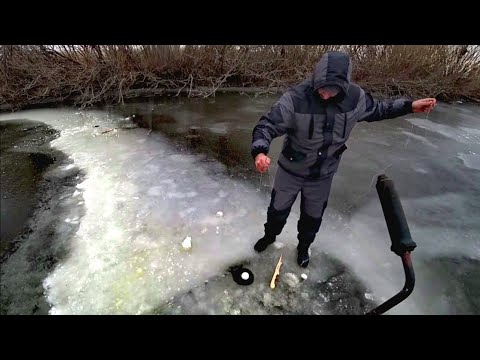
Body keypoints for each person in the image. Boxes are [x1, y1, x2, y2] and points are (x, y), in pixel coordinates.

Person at [251, 51, 436, 268]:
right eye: (322, 89)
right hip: (291, 170)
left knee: (312, 218)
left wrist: (410, 106)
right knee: (277, 211)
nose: (326, 95)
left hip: (322, 175)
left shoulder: (355, 98)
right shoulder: (295, 99)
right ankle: (270, 237)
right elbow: (267, 125)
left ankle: (303, 248)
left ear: (343, 87)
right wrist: (260, 152)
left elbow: (379, 109)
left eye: (332, 90)